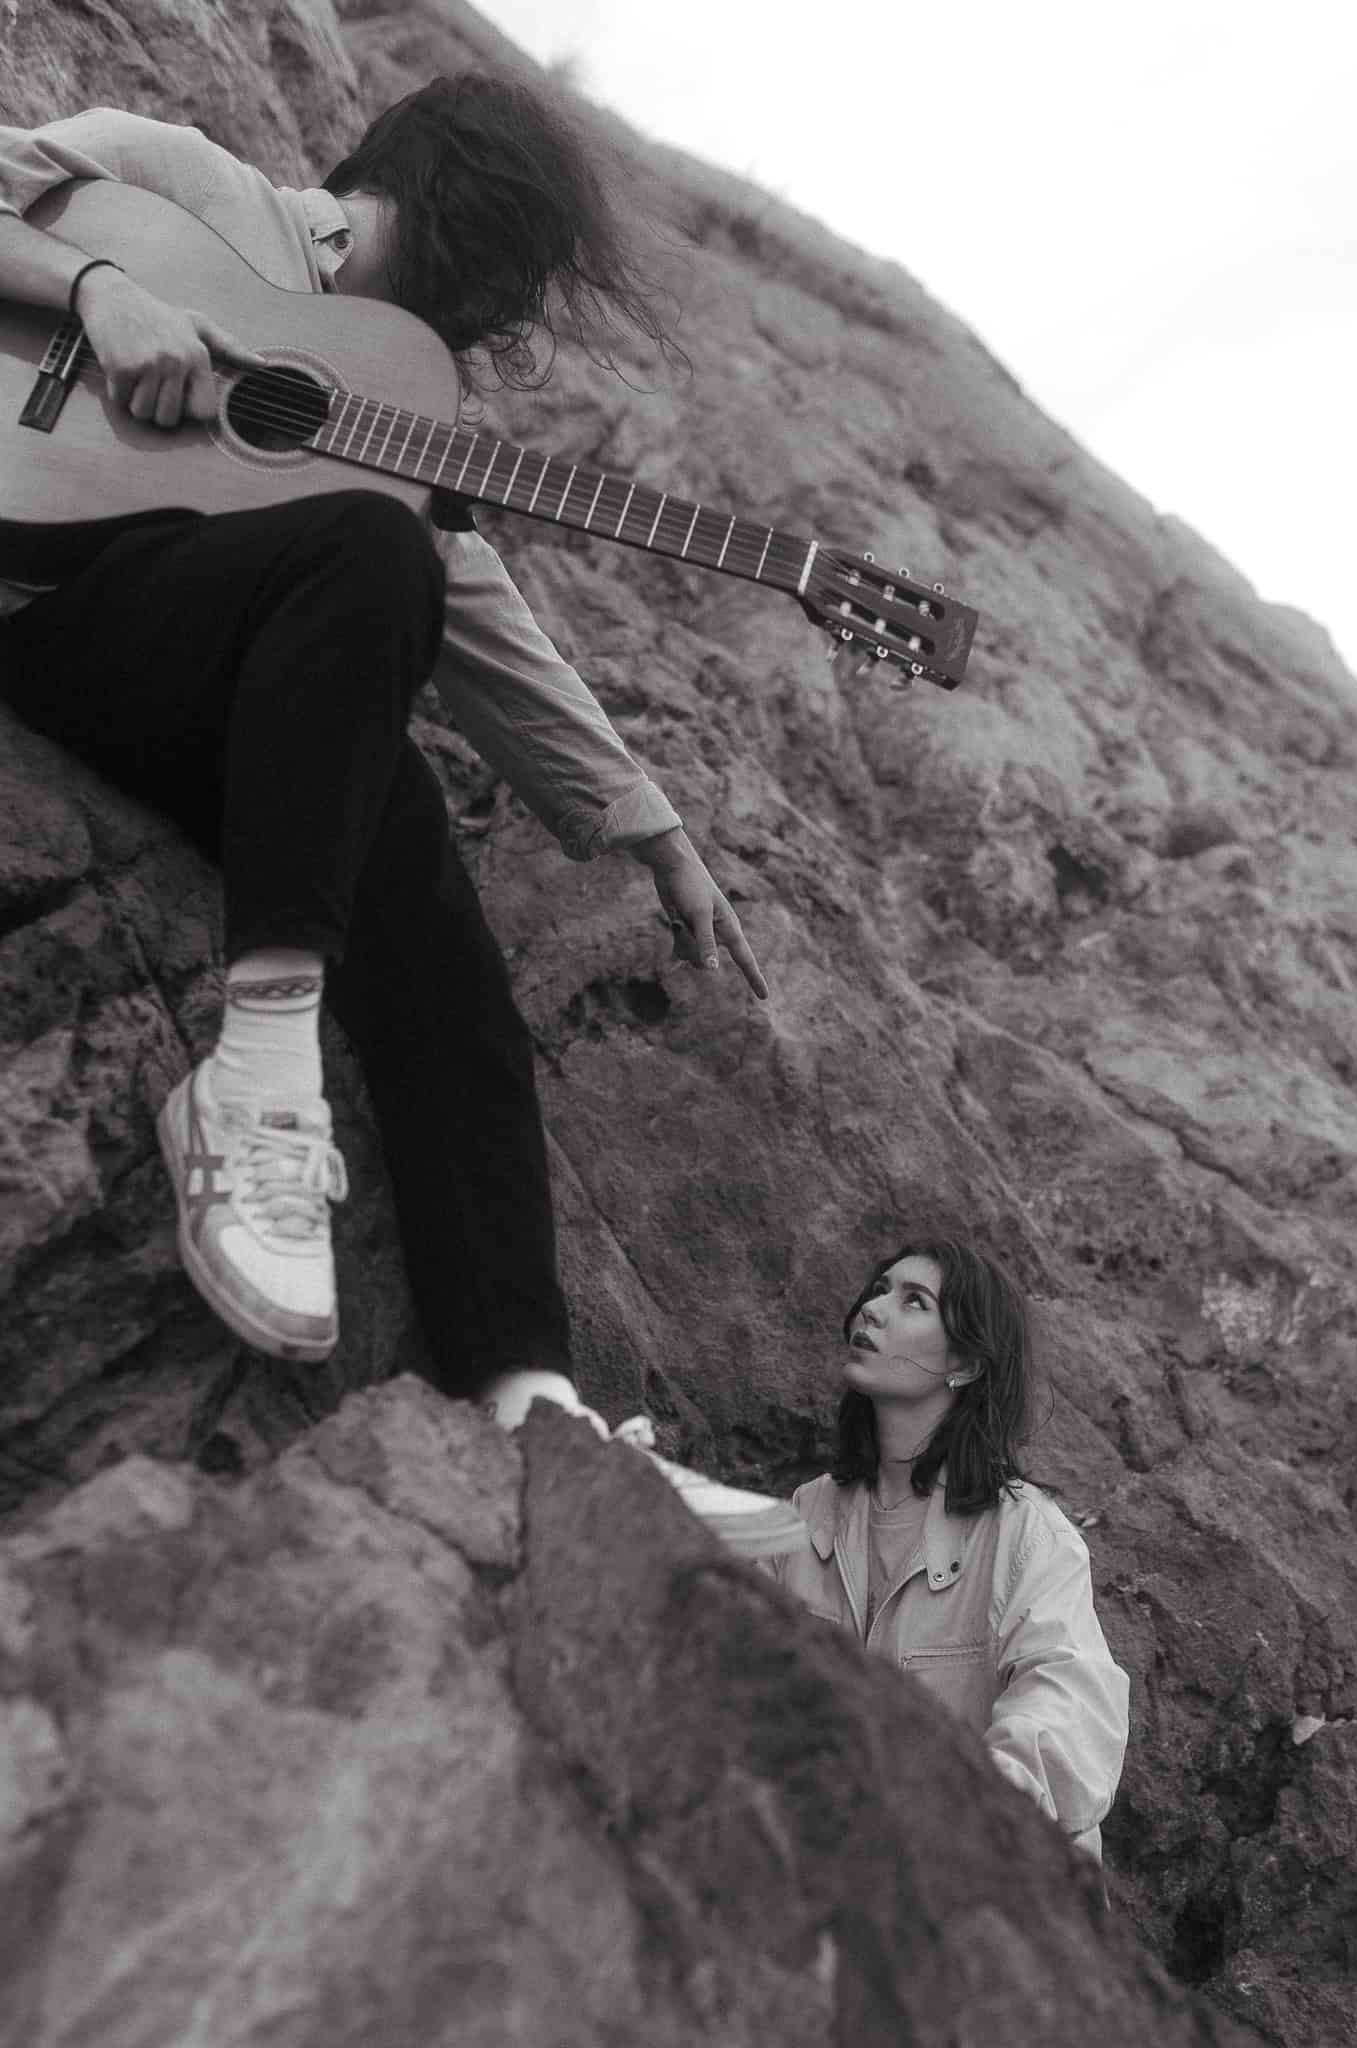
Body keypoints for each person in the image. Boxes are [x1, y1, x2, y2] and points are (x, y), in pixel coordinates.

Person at [0, 76, 805, 1558]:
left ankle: (531, 1405)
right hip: (40, 605)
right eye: (517, 269)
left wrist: (651, 828)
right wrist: (104, 288)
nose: (507, 313)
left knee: (441, 936)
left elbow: (480, 618)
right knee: (374, 551)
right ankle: (254, 1080)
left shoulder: (402, 402)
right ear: (468, 207)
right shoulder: (178, 181)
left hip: (214, 672)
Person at [761, 1238, 1130, 1861]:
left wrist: (962, 1811)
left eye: (914, 1301)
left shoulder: (1026, 1536)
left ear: (966, 1363)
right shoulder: (806, 1514)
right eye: (880, 1289)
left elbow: (1070, 1711)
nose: (873, 1309)